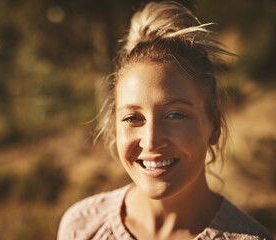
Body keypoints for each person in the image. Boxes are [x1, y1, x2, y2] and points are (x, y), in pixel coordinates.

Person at [57, 1, 273, 239]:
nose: (151, 142)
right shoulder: (82, 226)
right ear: (114, 130)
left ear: (214, 126)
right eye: (132, 118)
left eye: (175, 115)